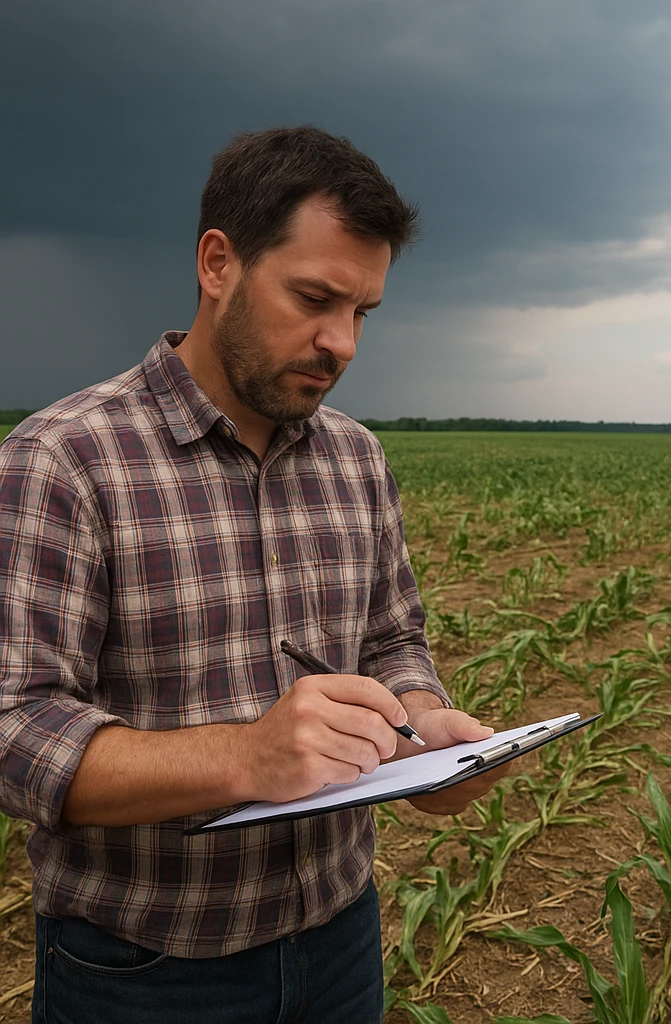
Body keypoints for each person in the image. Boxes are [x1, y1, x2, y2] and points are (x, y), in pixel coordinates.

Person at [0, 125, 506, 1024]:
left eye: (362, 312)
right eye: (314, 298)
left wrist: (425, 730)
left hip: (341, 936)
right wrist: (244, 757)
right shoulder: (63, 461)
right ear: (218, 263)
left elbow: (391, 637)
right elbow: (14, 731)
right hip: (142, 971)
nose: (341, 342)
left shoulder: (357, 459)